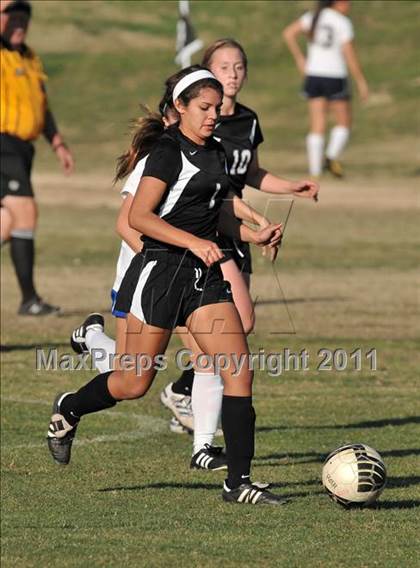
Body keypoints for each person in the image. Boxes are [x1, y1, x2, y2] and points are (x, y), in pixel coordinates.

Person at [47, 66, 288, 505]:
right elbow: (138, 217)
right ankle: (70, 408)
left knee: (239, 369)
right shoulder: (165, 151)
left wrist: (254, 234)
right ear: (180, 107)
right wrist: (195, 243)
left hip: (203, 277)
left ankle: (237, 483)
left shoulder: (216, 151)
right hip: (159, 274)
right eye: (204, 107)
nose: (213, 115)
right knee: (132, 383)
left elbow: (217, 215)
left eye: (217, 108)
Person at [162, 39, 319, 456]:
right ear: (206, 73)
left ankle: (187, 395)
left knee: (235, 329)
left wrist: (289, 188)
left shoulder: (247, 121)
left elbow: (247, 172)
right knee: (223, 333)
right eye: (224, 67)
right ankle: (203, 434)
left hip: (232, 227)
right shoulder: (190, 125)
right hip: (202, 231)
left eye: (239, 66)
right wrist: (255, 220)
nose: (233, 74)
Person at [0, 0, 74, 315]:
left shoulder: (29, 57)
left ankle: (30, 299)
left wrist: (57, 142)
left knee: (7, 221)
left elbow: (41, 106)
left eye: (23, 18)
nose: (19, 23)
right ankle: (29, 299)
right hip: (1, 143)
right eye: (10, 16)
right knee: (25, 212)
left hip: (22, 148)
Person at [283, 0, 369, 178]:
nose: (349, 4)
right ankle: (331, 157)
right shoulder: (342, 22)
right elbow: (349, 55)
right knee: (344, 122)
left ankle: (315, 171)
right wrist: (361, 81)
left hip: (314, 75)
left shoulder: (314, 16)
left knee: (317, 124)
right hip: (335, 75)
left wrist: (300, 59)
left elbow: (288, 33)